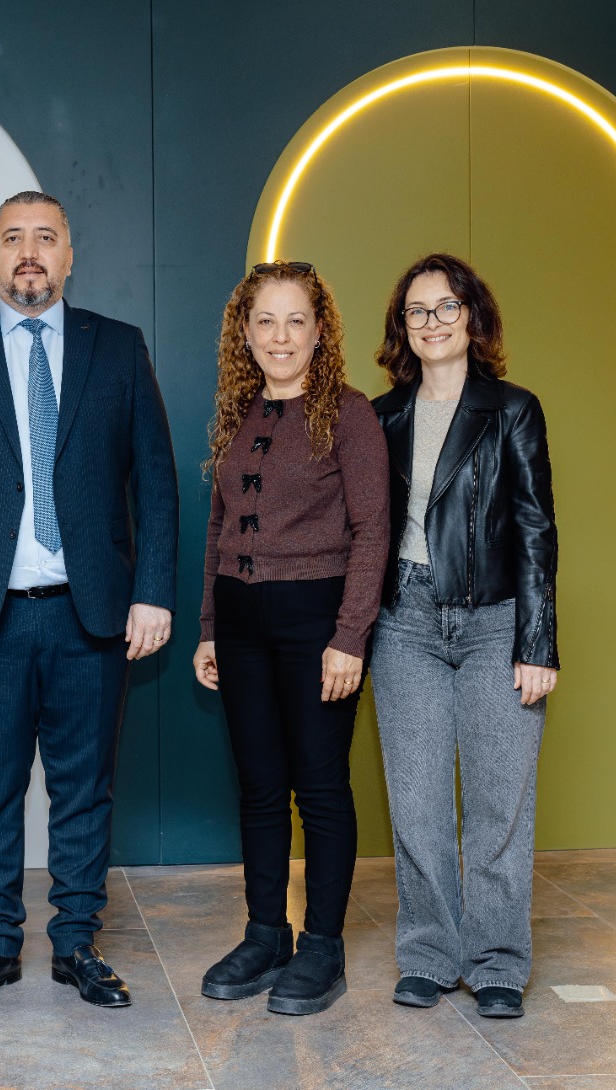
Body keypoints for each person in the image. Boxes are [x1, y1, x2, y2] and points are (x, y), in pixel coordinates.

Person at [0, 191, 179, 1010]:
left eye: (45, 237)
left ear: (69, 255)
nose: (29, 251)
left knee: (85, 789)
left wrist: (152, 593)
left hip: (93, 612)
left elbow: (155, 482)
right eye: (13, 238)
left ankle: (77, 944)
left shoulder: (118, 348)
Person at [191, 261, 389, 1016]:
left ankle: (322, 947)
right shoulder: (238, 414)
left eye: (295, 320)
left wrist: (350, 636)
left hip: (316, 621)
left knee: (322, 788)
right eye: (265, 321)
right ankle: (266, 934)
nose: (280, 336)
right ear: (244, 333)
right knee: (261, 787)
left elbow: (372, 530)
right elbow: (218, 528)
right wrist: (210, 628)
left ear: (319, 331)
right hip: (240, 623)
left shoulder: (349, 413)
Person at [369, 252, 558, 1020]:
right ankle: (429, 953)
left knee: (498, 806)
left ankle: (498, 962)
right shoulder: (380, 417)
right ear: (402, 327)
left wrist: (537, 643)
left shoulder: (513, 410)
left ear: (473, 317)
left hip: (495, 622)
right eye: (417, 310)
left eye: (447, 306)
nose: (433, 322)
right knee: (416, 806)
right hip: (404, 623)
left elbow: (537, 529)